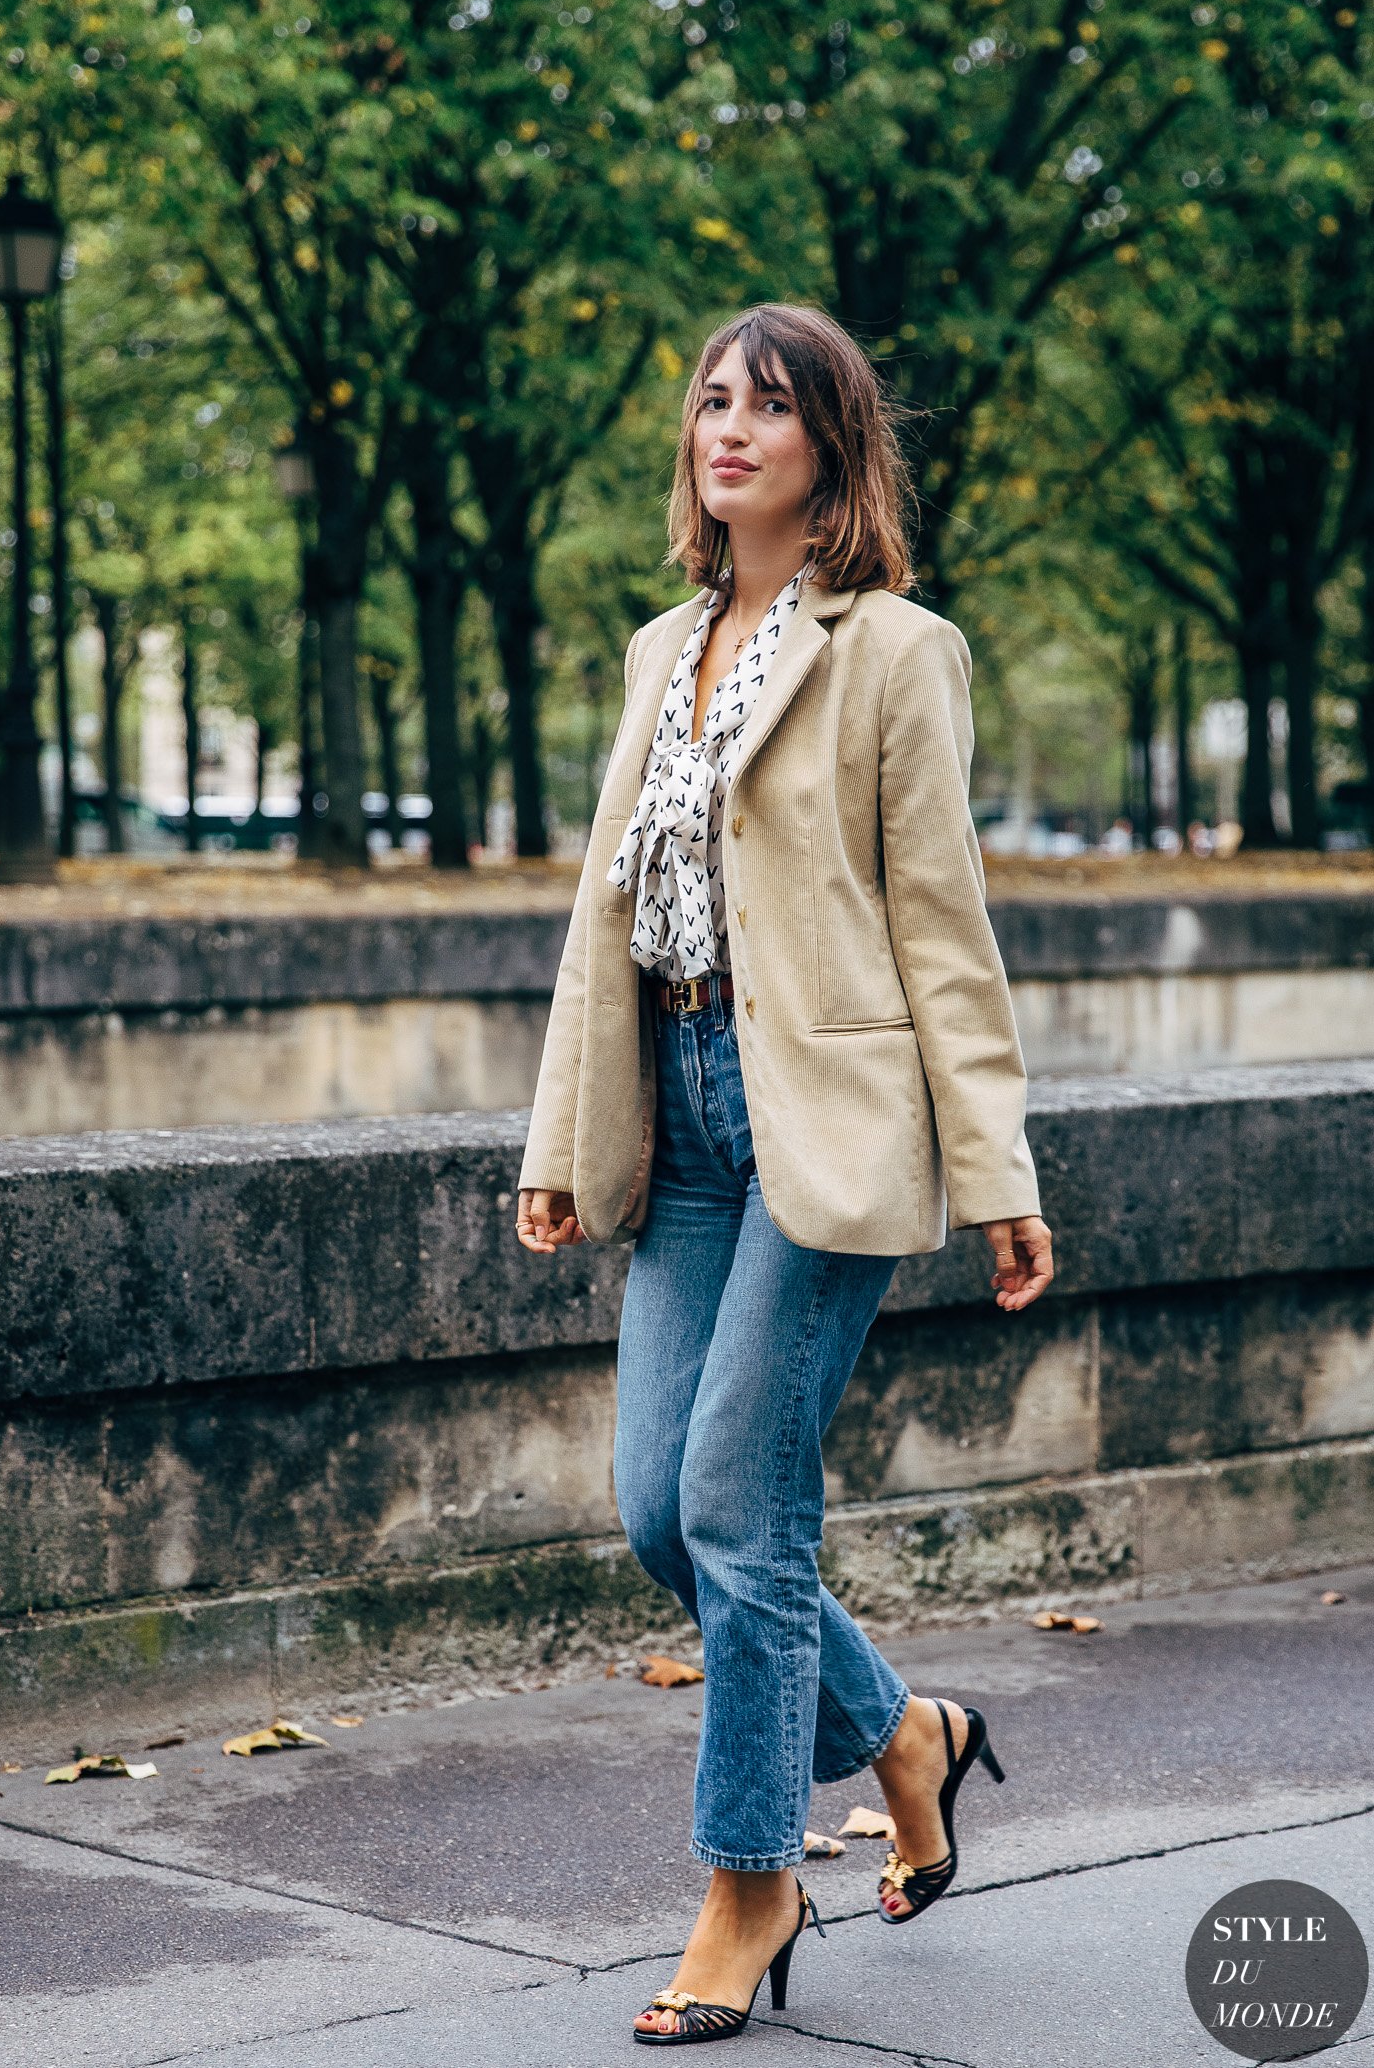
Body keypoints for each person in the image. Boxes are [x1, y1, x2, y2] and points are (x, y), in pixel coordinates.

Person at [516, 301, 1054, 2047]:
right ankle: (908, 1735)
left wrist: (999, 1173)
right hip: (674, 1115)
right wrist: (561, 1142)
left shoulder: (899, 653)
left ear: (832, 445)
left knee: (743, 1515)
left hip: (823, 1127)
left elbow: (943, 935)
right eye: (708, 402)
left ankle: (751, 1882)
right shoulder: (655, 651)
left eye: (769, 405)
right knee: (660, 1512)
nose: (727, 427)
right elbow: (605, 924)